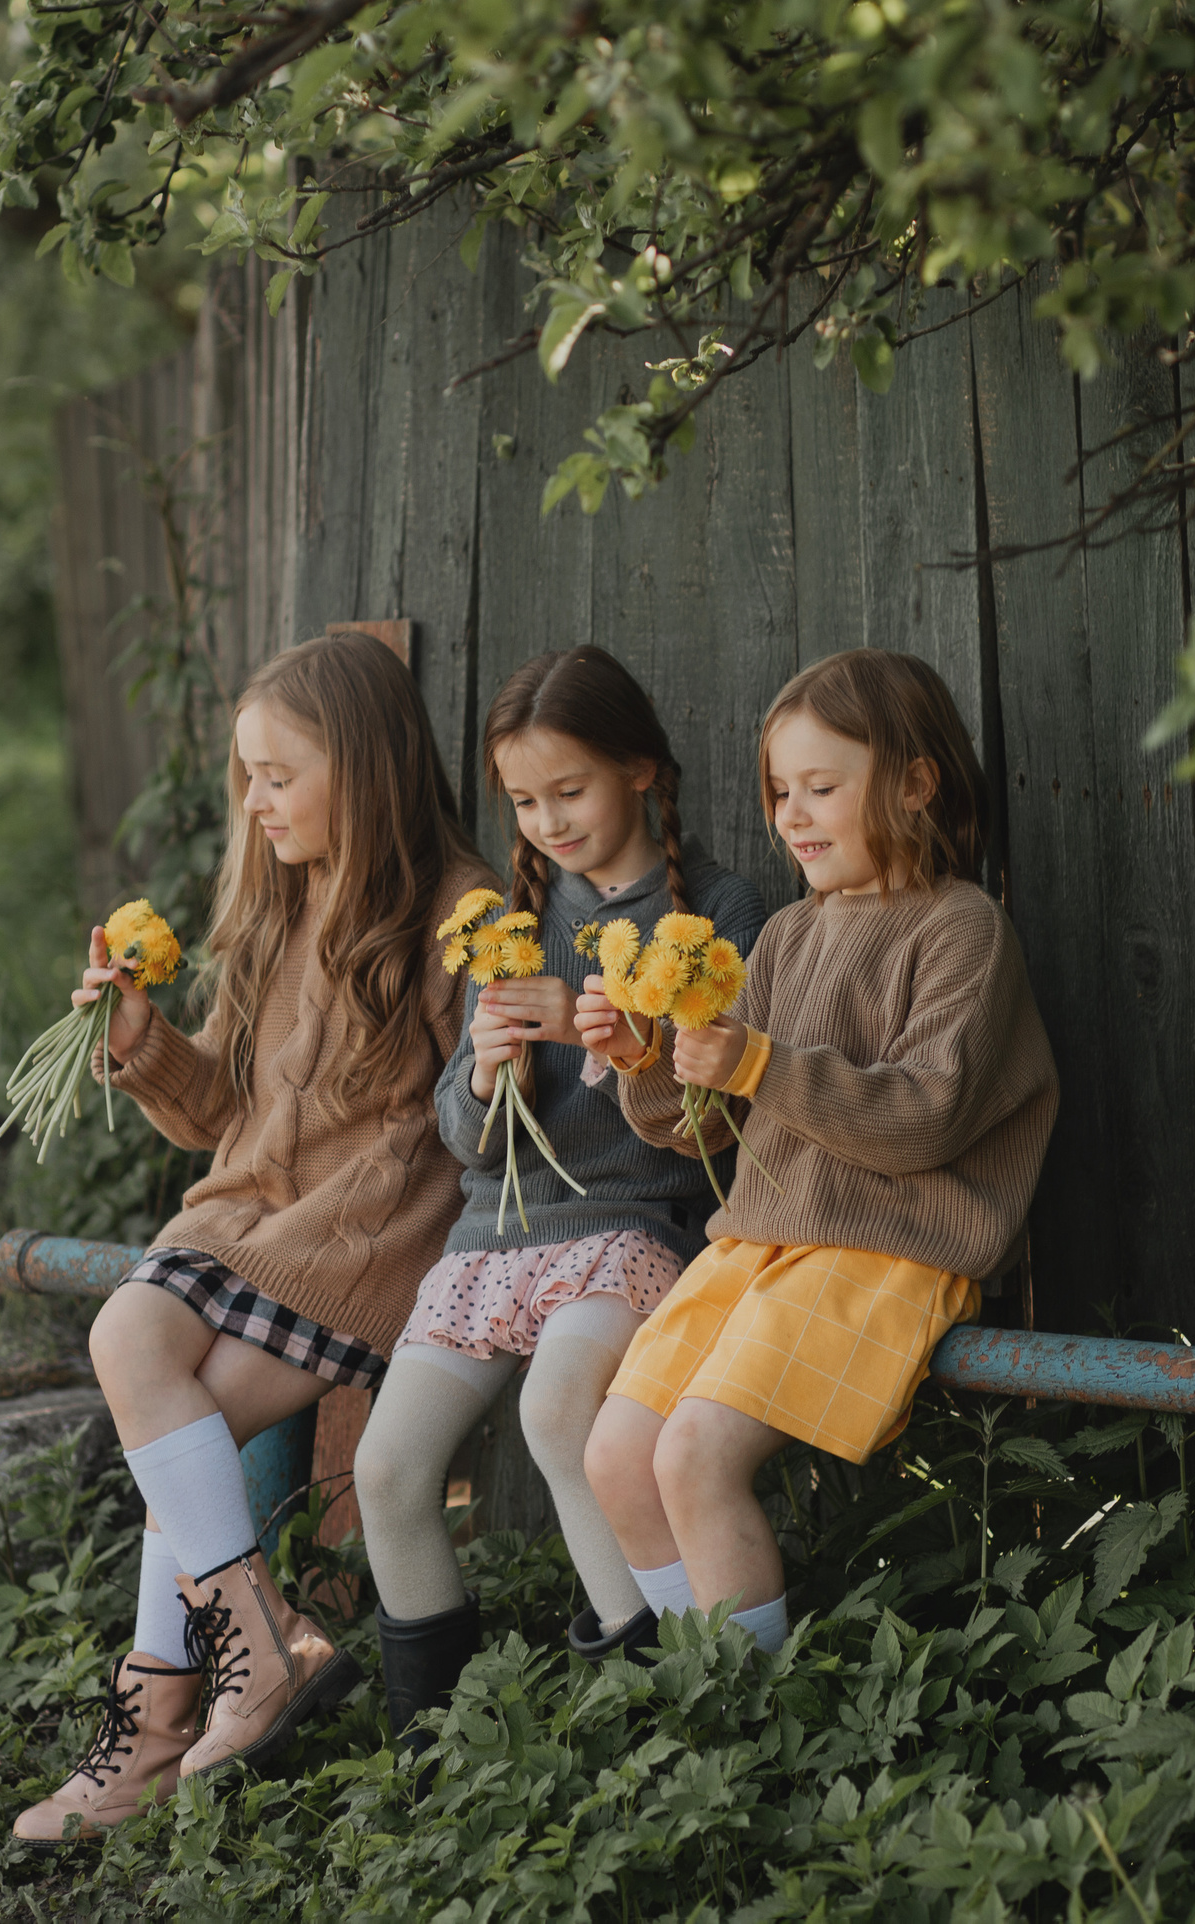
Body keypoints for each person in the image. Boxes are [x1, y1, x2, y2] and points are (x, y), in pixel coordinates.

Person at [14, 632, 496, 1845]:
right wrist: (141, 1042)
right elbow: (223, 1112)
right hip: (242, 1221)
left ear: (366, 769)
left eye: (280, 774)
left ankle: (151, 1728)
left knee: (172, 1438)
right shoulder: (281, 903)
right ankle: (253, 1648)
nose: (257, 800)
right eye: (248, 776)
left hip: (357, 1246)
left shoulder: (458, 915)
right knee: (144, 1362)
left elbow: (475, 1127)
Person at [577, 650, 1058, 1657]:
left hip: (889, 1247)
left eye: (821, 789)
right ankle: (694, 1672)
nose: (792, 816)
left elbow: (928, 1116)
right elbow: (704, 1125)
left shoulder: (962, 930)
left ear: (915, 784)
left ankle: (745, 1704)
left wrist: (760, 1062)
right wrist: (645, 1058)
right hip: (760, 1244)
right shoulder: (790, 934)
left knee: (695, 1454)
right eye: (780, 792)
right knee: (618, 1454)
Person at [349, 647, 768, 1747]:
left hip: (634, 1224)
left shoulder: (719, 910)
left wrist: (616, 1035)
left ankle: (657, 1705)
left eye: (569, 791)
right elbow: (462, 1135)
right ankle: (433, 1750)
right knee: (386, 1467)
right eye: (525, 802)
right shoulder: (508, 923)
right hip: (494, 1236)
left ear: (641, 769)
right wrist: (490, 1070)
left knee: (557, 1411)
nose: (548, 822)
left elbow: (717, 1122)